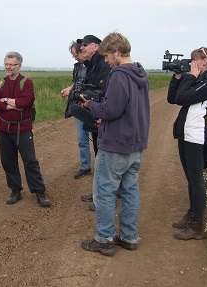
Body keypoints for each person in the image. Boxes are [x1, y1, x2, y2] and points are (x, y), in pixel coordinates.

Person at [80, 32, 150, 256]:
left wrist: (90, 105)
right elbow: (128, 109)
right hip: (135, 143)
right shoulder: (140, 72)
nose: (106, 61)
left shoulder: (119, 75)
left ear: (117, 52)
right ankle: (129, 237)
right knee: (129, 190)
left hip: (116, 143)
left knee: (104, 191)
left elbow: (111, 110)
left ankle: (104, 238)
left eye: (108, 56)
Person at [167, 47, 207, 240]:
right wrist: (177, 77)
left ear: (205, 61)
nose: (191, 64)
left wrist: (189, 77)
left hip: (195, 136)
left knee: (196, 179)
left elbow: (183, 98)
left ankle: (198, 224)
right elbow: (172, 98)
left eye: (194, 60)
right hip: (185, 134)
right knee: (190, 178)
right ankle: (192, 214)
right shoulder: (198, 80)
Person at [0, 51, 51, 208]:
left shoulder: (27, 83)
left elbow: (26, 101)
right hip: (4, 128)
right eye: (6, 64)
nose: (8, 67)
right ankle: (15, 190)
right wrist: (12, 104)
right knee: (8, 161)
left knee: (30, 160)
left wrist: (6, 101)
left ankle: (39, 191)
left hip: (22, 128)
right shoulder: (0, 83)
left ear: (19, 66)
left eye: (12, 64)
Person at [75, 35, 112, 210]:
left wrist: (88, 97)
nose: (81, 48)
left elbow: (104, 91)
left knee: (104, 157)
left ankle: (105, 196)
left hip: (102, 115)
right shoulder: (90, 64)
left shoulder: (102, 64)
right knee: (99, 154)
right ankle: (99, 192)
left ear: (95, 46)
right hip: (94, 112)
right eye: (80, 45)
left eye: (84, 45)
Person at [60, 41, 94, 179]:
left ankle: (103, 169)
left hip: (93, 107)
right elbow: (78, 82)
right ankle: (85, 166)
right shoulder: (78, 67)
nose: (76, 58)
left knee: (99, 141)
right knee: (82, 139)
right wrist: (70, 88)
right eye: (74, 56)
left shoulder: (96, 66)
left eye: (76, 55)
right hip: (78, 107)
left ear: (83, 51)